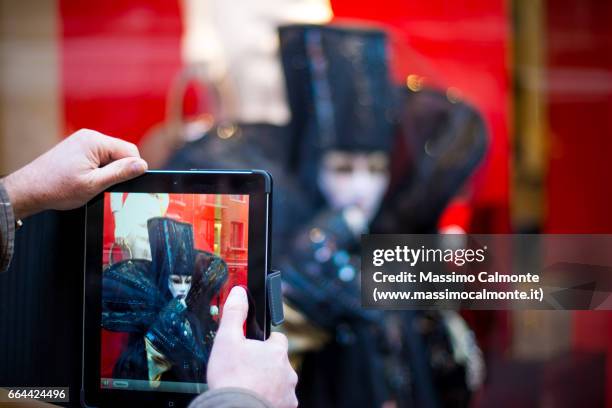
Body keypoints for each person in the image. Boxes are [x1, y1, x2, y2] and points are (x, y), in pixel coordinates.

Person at [0, 129, 298, 408]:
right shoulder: (134, 291)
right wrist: (243, 400)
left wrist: (17, 195)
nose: (180, 286)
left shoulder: (193, 299)